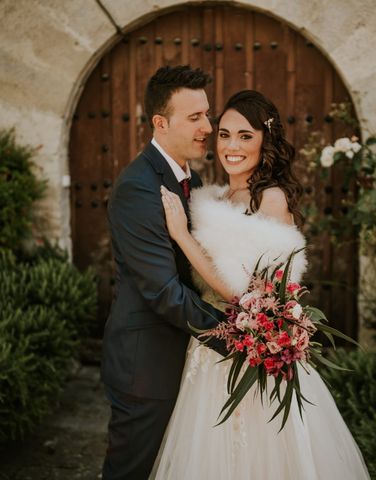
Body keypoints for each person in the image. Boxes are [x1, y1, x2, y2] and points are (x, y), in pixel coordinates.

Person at [153, 90, 370, 479]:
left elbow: (240, 292)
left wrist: (182, 235)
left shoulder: (270, 199)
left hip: (251, 359)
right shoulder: (219, 195)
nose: (231, 146)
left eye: (245, 136)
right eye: (224, 134)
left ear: (265, 141)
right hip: (210, 351)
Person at [101, 65, 228, 480]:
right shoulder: (138, 187)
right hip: (147, 365)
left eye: (207, 114)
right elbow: (163, 291)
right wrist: (237, 335)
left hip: (186, 360)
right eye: (194, 118)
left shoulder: (193, 179)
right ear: (161, 122)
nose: (207, 127)